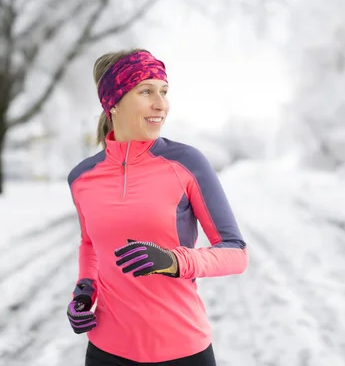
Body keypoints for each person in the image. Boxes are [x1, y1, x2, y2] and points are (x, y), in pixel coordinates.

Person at [66, 48, 248, 366]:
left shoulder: (187, 163)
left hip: (182, 350)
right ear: (113, 102)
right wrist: (84, 291)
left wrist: (174, 261)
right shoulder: (82, 178)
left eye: (163, 92)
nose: (160, 104)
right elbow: (90, 244)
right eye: (146, 91)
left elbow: (236, 253)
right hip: (107, 352)